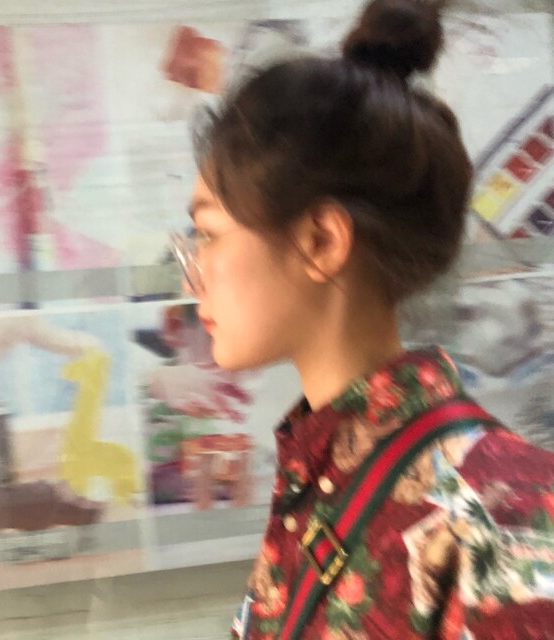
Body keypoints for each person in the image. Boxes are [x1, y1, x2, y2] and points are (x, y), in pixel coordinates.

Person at [170, 0, 554, 638]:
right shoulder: (322, 476)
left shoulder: (502, 522)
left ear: (320, 241)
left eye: (208, 233)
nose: (192, 276)